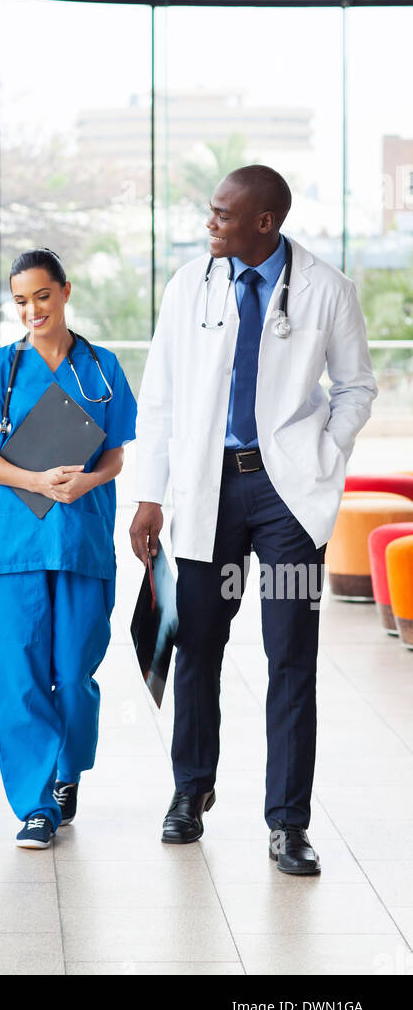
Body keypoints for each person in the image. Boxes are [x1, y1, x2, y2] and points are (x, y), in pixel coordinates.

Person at [130, 166, 376, 875]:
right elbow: (161, 398)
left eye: (222, 215)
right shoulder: (189, 287)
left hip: (287, 500)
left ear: (264, 222)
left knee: (291, 656)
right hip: (210, 491)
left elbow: (357, 383)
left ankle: (288, 824)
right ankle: (189, 790)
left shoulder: (327, 289)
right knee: (197, 644)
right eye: (210, 213)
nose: (211, 224)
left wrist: (325, 449)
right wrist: (152, 494)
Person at [0, 248, 137, 848]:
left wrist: (88, 480)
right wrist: (31, 480)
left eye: (42, 296)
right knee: (18, 675)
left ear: (64, 292)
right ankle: (35, 803)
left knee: (74, 671)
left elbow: (115, 451)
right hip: (12, 548)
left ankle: (68, 767)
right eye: (20, 300)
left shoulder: (102, 368)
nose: (31, 309)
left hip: (80, 540)